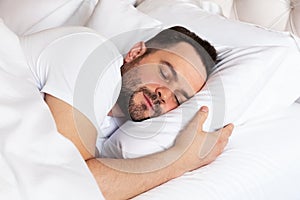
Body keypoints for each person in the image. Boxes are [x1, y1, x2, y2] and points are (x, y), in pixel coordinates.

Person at [21, 25, 234, 199]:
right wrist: (180, 160)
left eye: (178, 98)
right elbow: (70, 181)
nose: (164, 94)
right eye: (164, 73)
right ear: (136, 53)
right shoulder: (95, 55)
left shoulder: (114, 133)